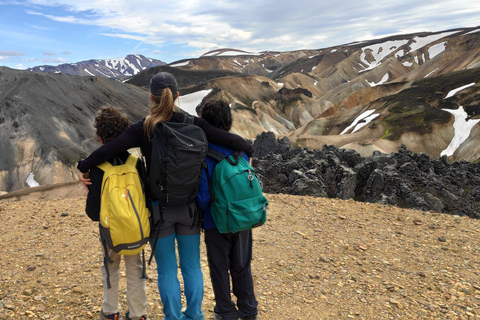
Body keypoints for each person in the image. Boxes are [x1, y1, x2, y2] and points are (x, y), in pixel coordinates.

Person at [78, 72, 253, 320]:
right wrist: (248, 146)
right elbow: (227, 138)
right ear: (177, 94)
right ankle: (195, 315)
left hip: (159, 210)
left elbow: (108, 149)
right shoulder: (193, 123)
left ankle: (173, 316)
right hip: (189, 208)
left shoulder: (144, 127)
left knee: (168, 270)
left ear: (151, 97)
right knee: (192, 267)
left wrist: (83, 165)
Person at [196, 100, 259, 320]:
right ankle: (249, 310)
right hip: (242, 218)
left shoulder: (204, 153)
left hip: (216, 222)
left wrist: (202, 218)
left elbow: (203, 196)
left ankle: (225, 312)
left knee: (219, 269)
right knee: (242, 266)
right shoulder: (239, 150)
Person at [84, 106, 148, 320]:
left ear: (99, 137)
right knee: (136, 269)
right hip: (136, 230)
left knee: (110, 267)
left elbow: (93, 212)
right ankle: (138, 314)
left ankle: (110, 311)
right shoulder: (136, 163)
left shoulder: (97, 168)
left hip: (110, 232)